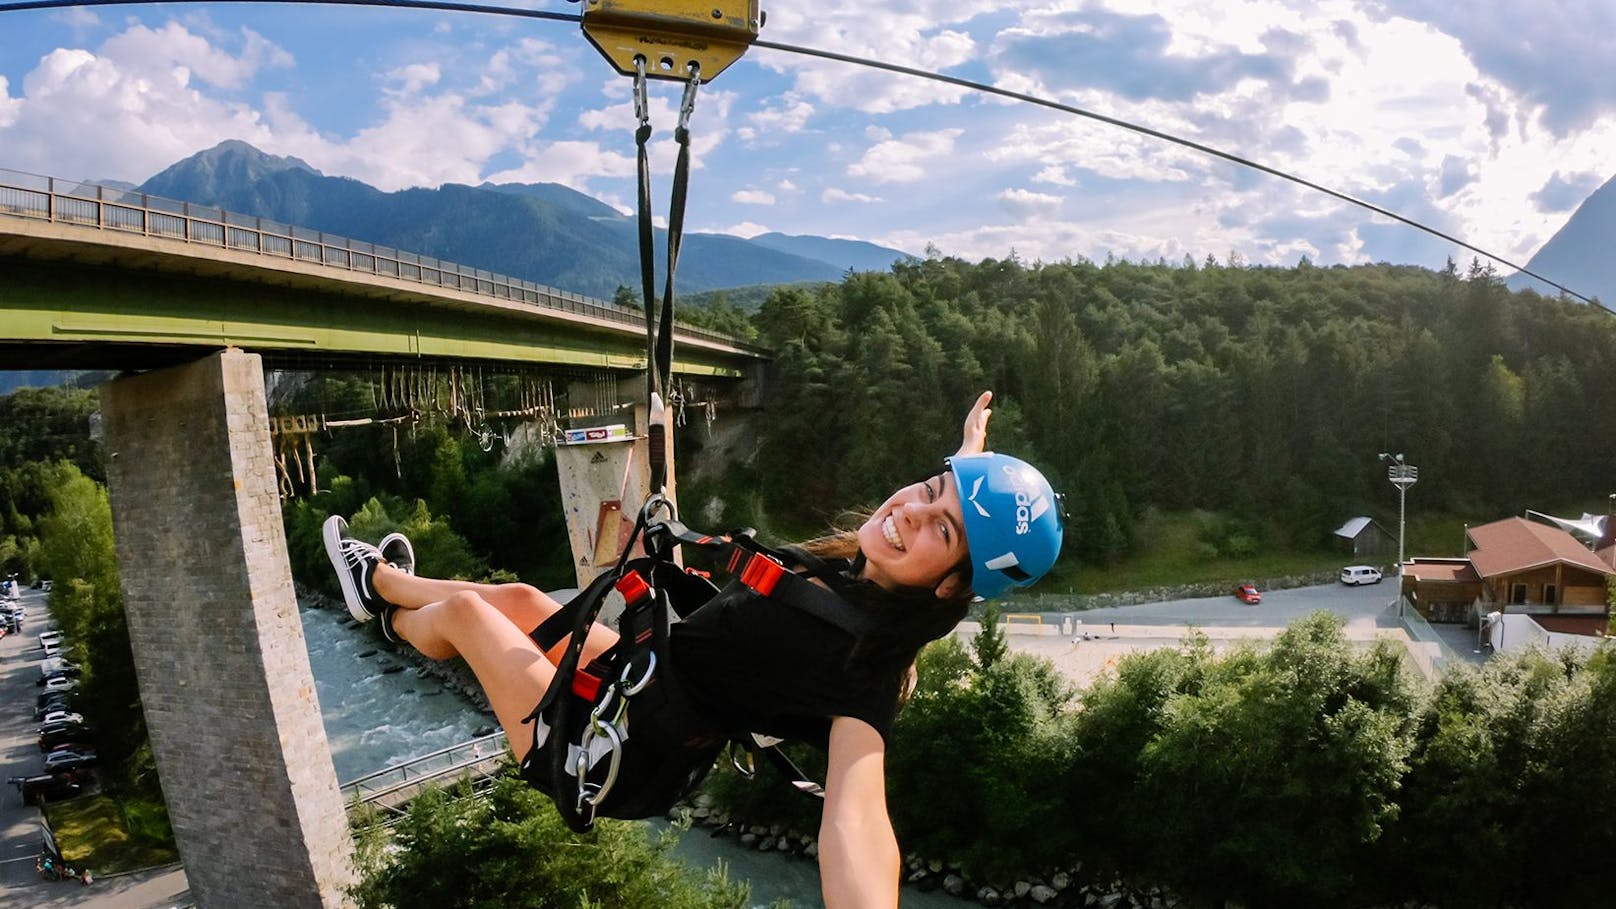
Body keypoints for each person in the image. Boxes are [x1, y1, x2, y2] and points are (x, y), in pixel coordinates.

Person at [322, 391, 1063, 907]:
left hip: (605, 751)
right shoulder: (864, 571)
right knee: (517, 598)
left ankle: (383, 606)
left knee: (464, 614)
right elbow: (936, 514)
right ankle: (383, 584)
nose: (910, 510)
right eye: (930, 487)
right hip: (643, 682)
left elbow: (859, 819)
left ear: (950, 588)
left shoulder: (865, 672)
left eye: (941, 528)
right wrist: (969, 458)